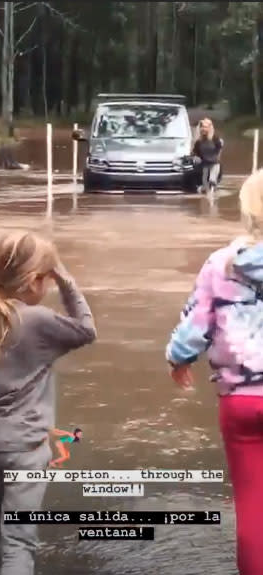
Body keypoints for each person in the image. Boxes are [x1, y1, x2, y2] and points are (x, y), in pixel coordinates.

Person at [165, 169, 263, 575]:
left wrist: (178, 359)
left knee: (253, 510)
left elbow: (195, 325)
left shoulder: (220, 264)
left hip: (241, 400)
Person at [0, 231, 97, 575]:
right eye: (47, 279)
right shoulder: (35, 320)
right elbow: (86, 329)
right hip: (24, 449)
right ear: (35, 281)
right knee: (18, 545)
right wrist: (65, 278)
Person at [192, 118, 223, 195]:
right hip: (204, 165)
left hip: (214, 164)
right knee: (204, 184)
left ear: (210, 128)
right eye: (202, 127)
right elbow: (195, 152)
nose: (204, 129)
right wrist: (196, 157)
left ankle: (211, 197)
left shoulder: (215, 138)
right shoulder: (198, 141)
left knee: (212, 180)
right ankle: (202, 190)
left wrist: (216, 158)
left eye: (206, 127)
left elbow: (219, 149)